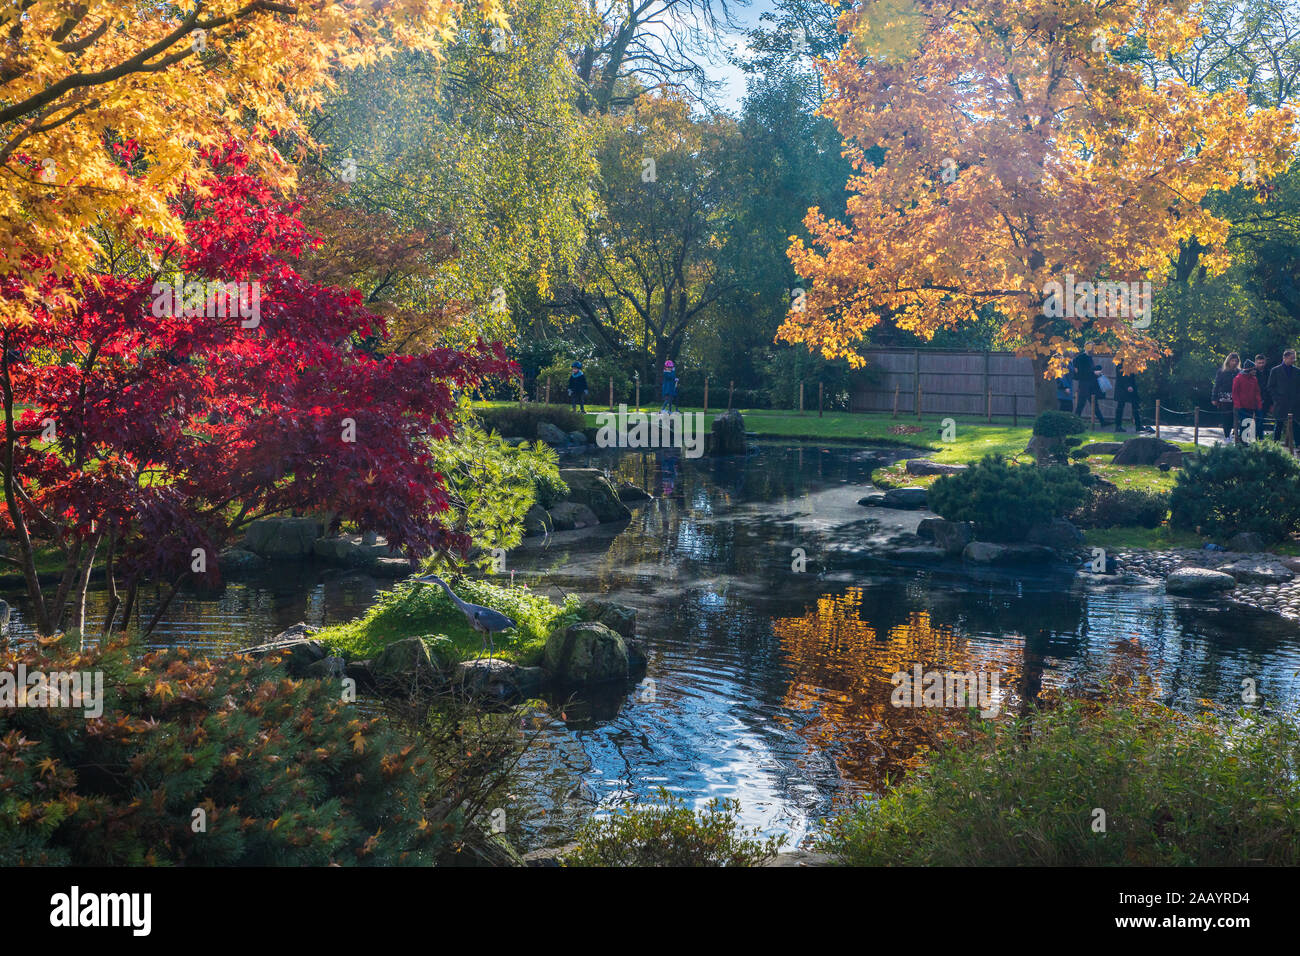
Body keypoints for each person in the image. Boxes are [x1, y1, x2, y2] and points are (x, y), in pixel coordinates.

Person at [1267, 349, 1300, 444]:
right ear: (1285, 358)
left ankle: (1298, 445)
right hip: (1280, 403)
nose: (1293, 360)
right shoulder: (1275, 370)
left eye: (1294, 358)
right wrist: (1276, 399)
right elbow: (1270, 387)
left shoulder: (1297, 371)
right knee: (1279, 425)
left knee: (1296, 426)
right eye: (1291, 358)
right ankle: (1275, 445)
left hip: (1294, 404)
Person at [1071, 344, 1108, 427]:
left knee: (1094, 403)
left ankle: (1102, 422)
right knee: (1081, 404)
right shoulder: (1080, 358)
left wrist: (1096, 371)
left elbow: (1089, 370)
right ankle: (1075, 423)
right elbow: (1080, 373)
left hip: (1091, 384)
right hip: (1084, 384)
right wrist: (1093, 372)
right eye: (1092, 347)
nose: (1093, 349)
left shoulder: (1090, 358)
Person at [1112, 358, 1150, 433]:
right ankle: (1118, 426)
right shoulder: (1120, 363)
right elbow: (1121, 376)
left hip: (1131, 387)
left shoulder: (1131, 361)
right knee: (1120, 407)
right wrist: (1128, 386)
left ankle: (1138, 426)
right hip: (1122, 388)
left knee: (1135, 406)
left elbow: (1132, 375)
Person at [1232, 357, 1264, 444]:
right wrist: (1237, 405)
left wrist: (1259, 404)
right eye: (1253, 370)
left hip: (1252, 405)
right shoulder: (1238, 378)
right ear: (1249, 369)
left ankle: (1254, 440)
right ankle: (1243, 442)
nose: (1255, 371)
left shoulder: (1254, 379)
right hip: (1242, 406)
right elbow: (1235, 393)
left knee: (1252, 423)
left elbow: (1257, 392)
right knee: (1244, 423)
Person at [1213, 353, 1240, 440]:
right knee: (1226, 416)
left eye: (1236, 361)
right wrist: (1214, 397)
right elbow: (1216, 385)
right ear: (1228, 361)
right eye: (1232, 360)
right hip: (1224, 397)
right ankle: (1227, 435)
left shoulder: (1239, 372)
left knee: (1235, 416)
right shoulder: (1222, 371)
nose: (1234, 363)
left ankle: (1234, 433)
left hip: (1236, 396)